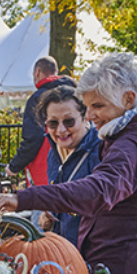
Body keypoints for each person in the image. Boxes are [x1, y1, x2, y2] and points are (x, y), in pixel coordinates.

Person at [0, 52, 137, 274]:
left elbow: (98, 191)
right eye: (87, 106)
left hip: (123, 271)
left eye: (98, 106)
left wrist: (23, 198)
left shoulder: (131, 145)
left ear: (128, 99)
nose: (91, 115)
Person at [36, 85, 102, 246]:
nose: (61, 130)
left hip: (91, 252)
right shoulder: (53, 153)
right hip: (62, 249)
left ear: (85, 116)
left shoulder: (101, 151)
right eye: (52, 123)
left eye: (69, 121)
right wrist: (49, 213)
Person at [6, 56, 76, 187]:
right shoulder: (74, 94)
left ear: (37, 72)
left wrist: (14, 166)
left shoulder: (38, 98)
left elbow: (32, 138)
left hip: (44, 167)